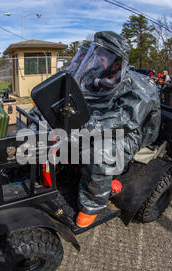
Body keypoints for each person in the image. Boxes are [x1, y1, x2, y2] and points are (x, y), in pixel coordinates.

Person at [67, 31, 161, 228]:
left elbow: (126, 118)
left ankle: (92, 205)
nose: (98, 59)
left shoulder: (141, 89)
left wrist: (88, 125)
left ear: (118, 61)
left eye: (104, 56)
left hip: (131, 132)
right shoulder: (101, 76)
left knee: (99, 153)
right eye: (97, 53)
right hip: (101, 121)